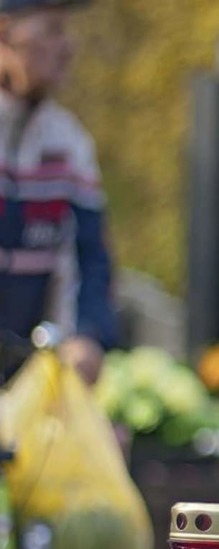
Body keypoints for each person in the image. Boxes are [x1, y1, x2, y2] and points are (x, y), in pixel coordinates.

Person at [0, 0, 116, 385]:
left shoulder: (68, 143)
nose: (68, 47)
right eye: (51, 30)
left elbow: (91, 258)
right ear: (4, 34)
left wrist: (87, 335)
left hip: (26, 379)